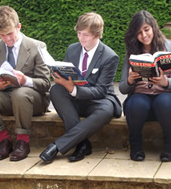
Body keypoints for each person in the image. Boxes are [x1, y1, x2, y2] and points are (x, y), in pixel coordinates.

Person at [39, 12, 122, 163]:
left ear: (98, 35)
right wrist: (60, 77)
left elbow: (101, 91)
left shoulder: (110, 56)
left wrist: (72, 89)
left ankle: (57, 146)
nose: (81, 38)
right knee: (56, 90)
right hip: (75, 99)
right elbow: (66, 75)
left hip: (99, 100)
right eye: (79, 33)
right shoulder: (72, 49)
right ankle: (82, 144)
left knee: (106, 111)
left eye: (86, 35)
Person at [0, 6, 51, 161]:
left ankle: (23, 142)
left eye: (10, 34)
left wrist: (25, 81)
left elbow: (45, 83)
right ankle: (4, 140)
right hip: (6, 97)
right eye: (2, 35)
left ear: (19, 27)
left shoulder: (38, 46)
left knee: (20, 93)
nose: (7, 39)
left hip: (33, 101)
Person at [119, 10, 171, 162]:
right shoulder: (132, 52)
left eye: (146, 29)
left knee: (164, 101)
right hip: (140, 99)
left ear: (153, 28)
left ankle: (170, 146)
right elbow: (123, 88)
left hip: (167, 101)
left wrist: (166, 82)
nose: (144, 35)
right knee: (136, 103)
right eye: (138, 32)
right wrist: (130, 80)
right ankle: (136, 147)